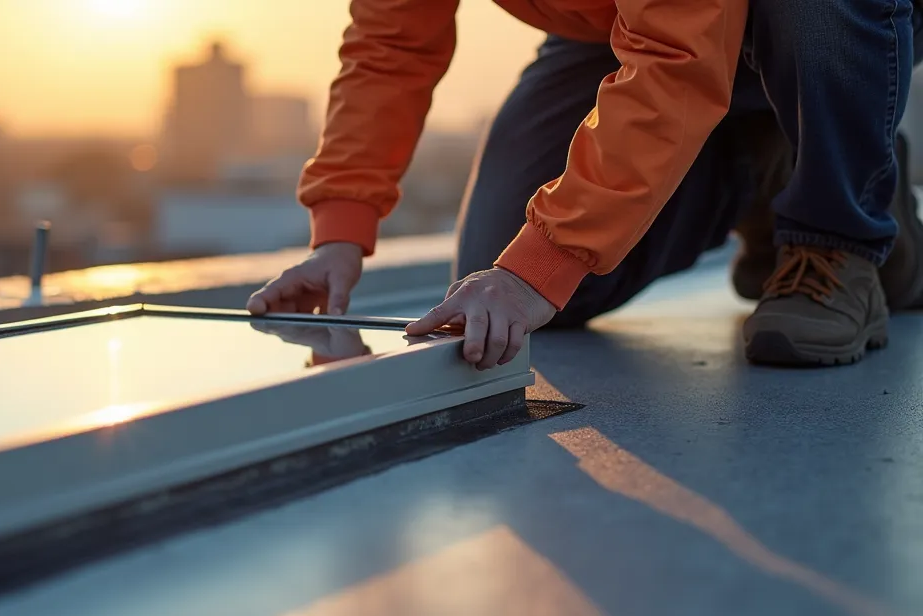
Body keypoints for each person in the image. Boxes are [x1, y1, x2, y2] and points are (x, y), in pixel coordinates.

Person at [246, 0, 923, 368]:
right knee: (504, 270)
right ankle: (766, 169)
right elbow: (390, 46)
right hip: (623, 23)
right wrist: (340, 231)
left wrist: (549, 258)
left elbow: (676, 60)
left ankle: (838, 227)